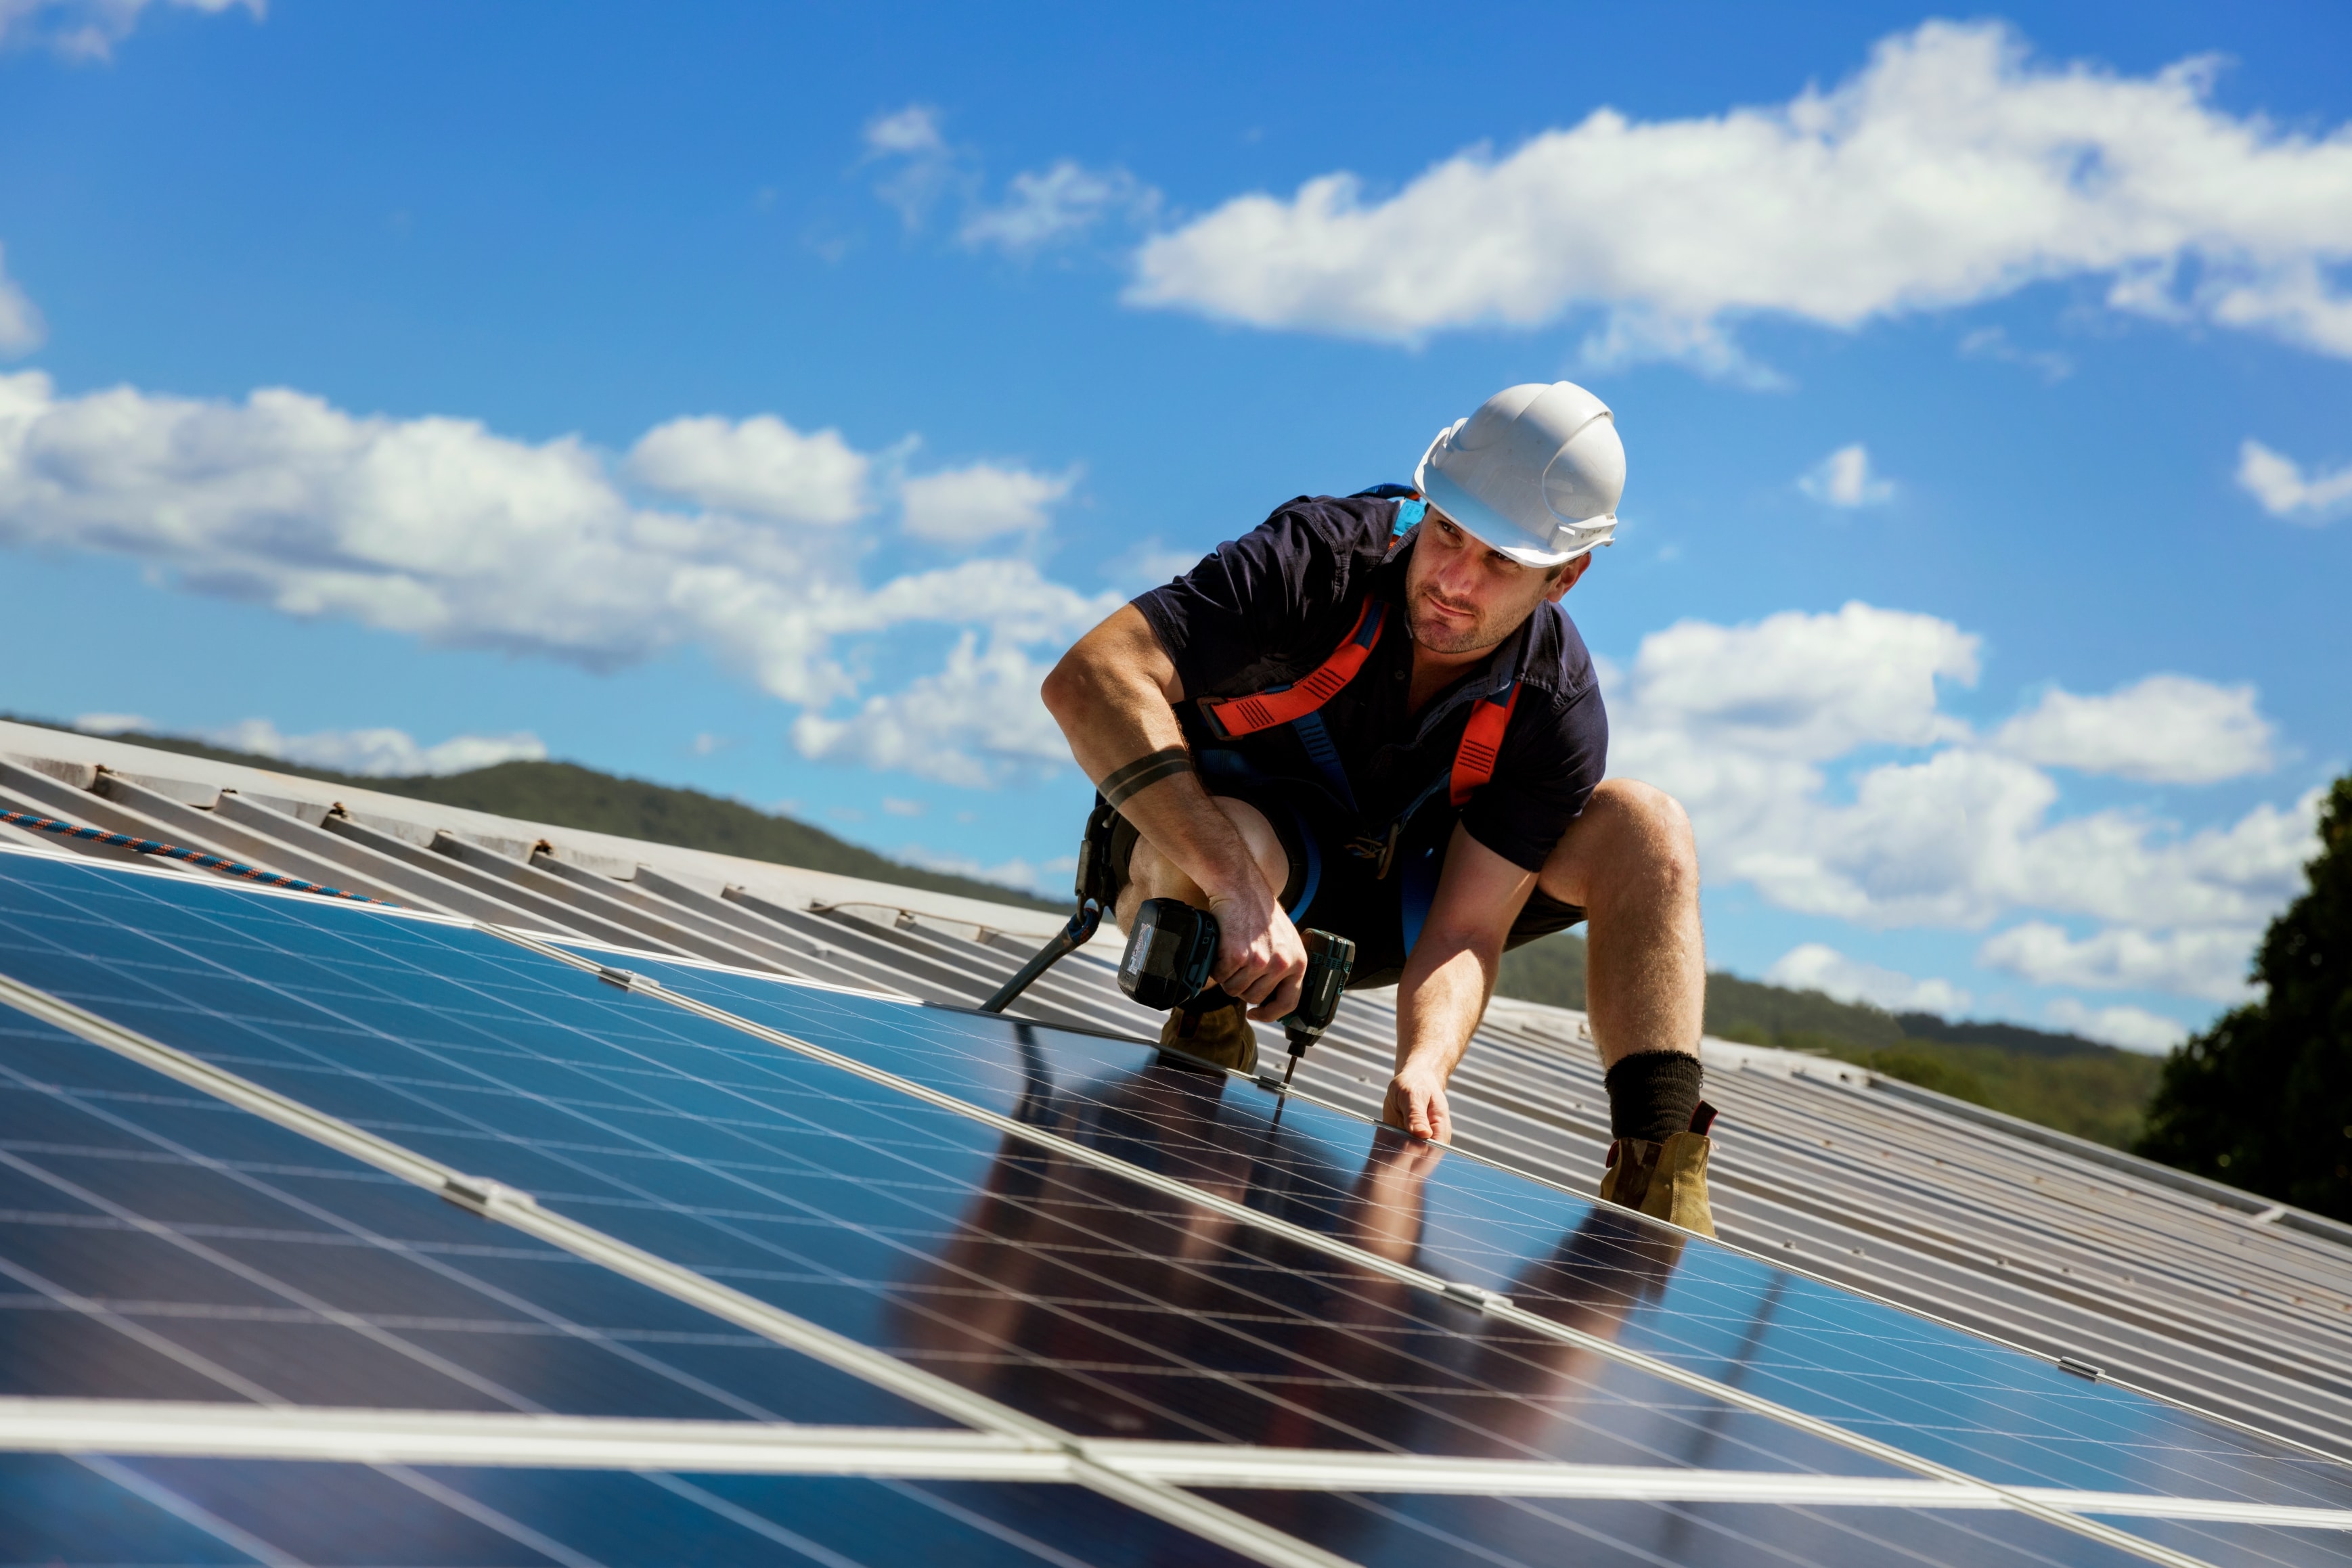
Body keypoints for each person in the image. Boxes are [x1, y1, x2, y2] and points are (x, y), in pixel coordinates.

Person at [1039, 382, 1715, 1234]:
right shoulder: (1316, 559)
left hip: (1398, 908)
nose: (1453, 581)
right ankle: (1207, 1024)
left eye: (1500, 562)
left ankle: (1659, 1190)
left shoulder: (1555, 705)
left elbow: (1468, 930)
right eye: (1447, 534)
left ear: (1565, 577)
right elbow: (1090, 677)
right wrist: (1238, 888)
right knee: (1237, 845)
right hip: (1224, 870)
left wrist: (1426, 1065)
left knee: (1646, 826)